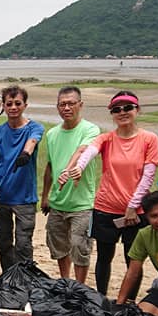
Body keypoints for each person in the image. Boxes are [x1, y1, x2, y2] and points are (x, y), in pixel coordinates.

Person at [61, 91, 158, 298]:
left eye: (127, 108)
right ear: (112, 114)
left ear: (137, 110)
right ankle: (101, 297)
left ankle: (127, 301)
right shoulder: (106, 138)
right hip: (105, 208)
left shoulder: (149, 139)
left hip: (136, 211)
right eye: (116, 109)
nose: (122, 112)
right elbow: (89, 152)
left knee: (132, 258)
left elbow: (148, 176)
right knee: (104, 257)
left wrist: (133, 206)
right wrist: (79, 168)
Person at [40, 86, 100, 283]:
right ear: (57, 107)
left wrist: (68, 169)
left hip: (82, 203)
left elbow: (83, 151)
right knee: (58, 245)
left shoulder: (90, 129)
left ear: (80, 105)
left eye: (71, 103)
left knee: (79, 245)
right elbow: (50, 166)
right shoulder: (52, 134)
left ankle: (79, 286)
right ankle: (66, 281)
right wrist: (45, 196)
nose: (66, 108)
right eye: (62, 104)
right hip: (57, 202)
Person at [0, 85, 44, 270]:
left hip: (25, 197)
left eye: (17, 103)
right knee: (4, 244)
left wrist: (26, 154)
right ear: (3, 106)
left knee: (23, 245)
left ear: (25, 105)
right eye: (9, 103)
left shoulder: (34, 127)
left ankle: (25, 280)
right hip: (2, 195)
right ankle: (8, 279)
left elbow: (33, 140)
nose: (13, 107)